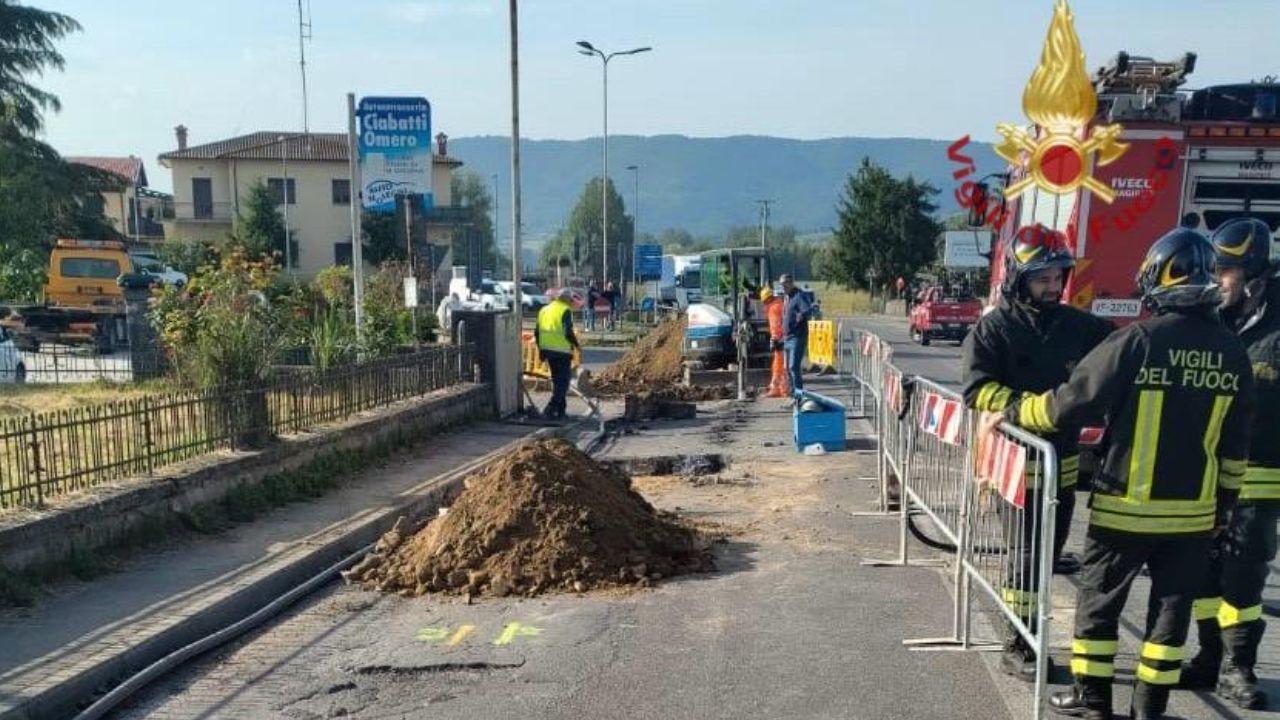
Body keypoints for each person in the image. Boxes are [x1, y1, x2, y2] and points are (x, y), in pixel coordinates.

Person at [1003, 228, 1253, 720]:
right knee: (1169, 620)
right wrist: (1223, 508)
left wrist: (1014, 413)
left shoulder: (1137, 341)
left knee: (1099, 607)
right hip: (1193, 518)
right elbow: (1235, 446)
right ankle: (1150, 709)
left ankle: (1093, 699)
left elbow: (1070, 402)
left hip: (1124, 510)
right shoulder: (1232, 352)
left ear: (1157, 278)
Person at [962, 224, 1115, 681]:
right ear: (1018, 277)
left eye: (1056, 277)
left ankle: (1029, 634)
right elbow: (976, 390)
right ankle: (1017, 646)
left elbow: (1121, 352)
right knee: (1026, 557)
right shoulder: (994, 328)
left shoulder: (1080, 326)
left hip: (1061, 468)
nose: (1051, 286)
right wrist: (1027, 409)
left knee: (1046, 557)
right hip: (1015, 467)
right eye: (1041, 278)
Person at [1181, 218, 1280, 709]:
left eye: (1224, 271)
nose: (1215, 279)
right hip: (1202, 471)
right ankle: (1208, 657)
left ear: (1252, 272)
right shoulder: (1207, 314)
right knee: (1202, 569)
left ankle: (1238, 668)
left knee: (1244, 574)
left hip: (1259, 475)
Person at [534, 287, 580, 420]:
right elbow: (567, 332)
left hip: (548, 351)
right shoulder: (565, 310)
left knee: (558, 382)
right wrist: (576, 345)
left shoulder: (544, 310)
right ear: (567, 299)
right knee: (563, 383)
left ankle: (560, 412)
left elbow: (537, 332)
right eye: (571, 300)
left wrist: (541, 350)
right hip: (562, 352)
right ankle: (550, 409)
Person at [781, 274, 813, 399]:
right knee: (787, 368)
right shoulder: (786, 298)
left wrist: (801, 315)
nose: (783, 288)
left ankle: (798, 397)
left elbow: (807, 309)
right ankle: (793, 395)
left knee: (793, 367)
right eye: (782, 285)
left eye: (784, 285)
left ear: (790, 283)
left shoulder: (799, 296)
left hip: (797, 336)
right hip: (787, 337)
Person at [761, 285, 789, 398]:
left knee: (778, 366)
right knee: (783, 365)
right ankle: (783, 389)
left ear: (767, 299)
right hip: (785, 339)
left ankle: (777, 389)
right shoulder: (781, 305)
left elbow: (775, 326)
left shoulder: (773, 308)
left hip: (780, 340)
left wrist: (774, 340)